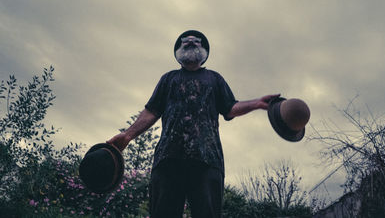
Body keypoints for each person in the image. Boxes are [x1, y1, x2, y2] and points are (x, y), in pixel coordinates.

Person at [107, 30, 280, 218]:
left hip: (207, 161)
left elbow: (230, 107)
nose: (190, 42)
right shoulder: (168, 78)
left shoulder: (215, 79)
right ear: (178, 53)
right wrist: (127, 135)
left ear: (204, 52)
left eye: (196, 41)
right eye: (185, 42)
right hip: (168, 160)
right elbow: (152, 111)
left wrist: (257, 103)